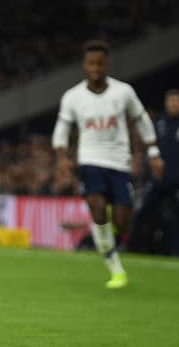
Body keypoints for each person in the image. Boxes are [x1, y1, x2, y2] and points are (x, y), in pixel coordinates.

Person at [51, 39, 161, 288]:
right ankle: (115, 268)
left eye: (100, 62)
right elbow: (62, 129)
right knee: (98, 210)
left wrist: (154, 152)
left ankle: (103, 240)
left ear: (106, 63)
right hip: (90, 160)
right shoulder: (73, 96)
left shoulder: (123, 92)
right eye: (91, 62)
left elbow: (141, 120)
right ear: (84, 64)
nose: (96, 67)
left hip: (119, 162)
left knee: (122, 222)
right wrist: (62, 158)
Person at [129, 89, 179, 256]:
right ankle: (133, 247)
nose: (173, 104)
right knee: (143, 212)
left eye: (176, 101)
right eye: (170, 101)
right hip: (158, 180)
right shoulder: (159, 124)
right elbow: (150, 152)